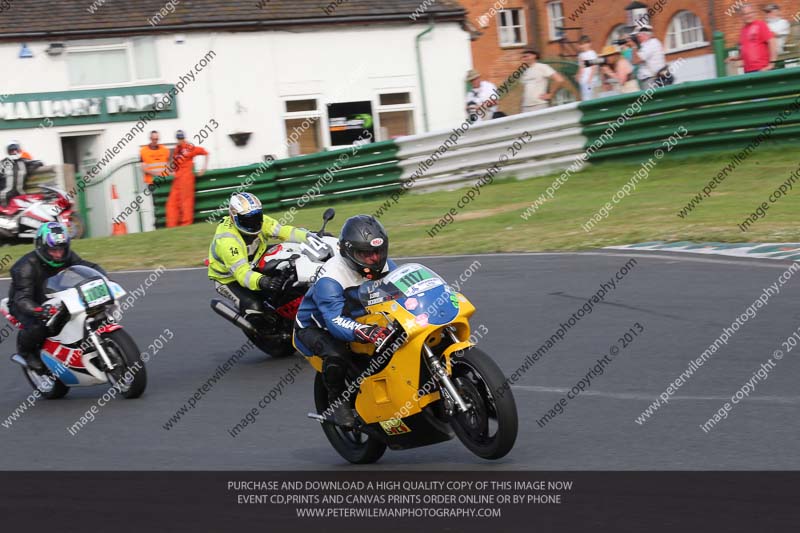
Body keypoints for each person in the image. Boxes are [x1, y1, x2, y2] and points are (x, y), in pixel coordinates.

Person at [293, 215, 396, 426]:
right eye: (365, 254)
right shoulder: (331, 278)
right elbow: (335, 322)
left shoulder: (384, 265)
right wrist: (367, 332)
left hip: (359, 315)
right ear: (348, 252)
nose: (374, 259)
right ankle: (337, 404)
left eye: (377, 252)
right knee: (337, 353)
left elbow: (404, 292)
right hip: (317, 326)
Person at [9, 222, 106, 373]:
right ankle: (26, 353)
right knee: (39, 325)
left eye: (61, 249)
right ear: (42, 247)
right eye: (53, 250)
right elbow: (22, 299)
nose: (59, 254)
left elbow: (87, 267)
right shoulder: (24, 267)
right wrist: (38, 310)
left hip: (55, 295)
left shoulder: (67, 256)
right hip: (26, 301)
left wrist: (104, 279)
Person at [208, 192, 322, 320]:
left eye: (256, 217)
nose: (254, 224)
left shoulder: (261, 221)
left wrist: (311, 236)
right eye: (247, 220)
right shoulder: (228, 242)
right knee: (254, 307)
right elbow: (242, 274)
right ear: (234, 218)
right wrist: (264, 281)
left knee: (290, 261)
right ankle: (265, 332)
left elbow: (285, 231)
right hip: (230, 278)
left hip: (255, 258)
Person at [165, 130, 208, 227]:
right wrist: (171, 170)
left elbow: (205, 152)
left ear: (184, 138)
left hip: (187, 179)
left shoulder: (190, 148)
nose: (180, 140)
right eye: (178, 138)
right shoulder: (176, 149)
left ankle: (186, 225)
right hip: (177, 179)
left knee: (186, 203)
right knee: (171, 204)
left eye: (181, 138)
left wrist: (203, 168)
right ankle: (171, 226)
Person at [139, 130, 171, 231]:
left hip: (164, 182)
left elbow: (169, 166)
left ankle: (167, 223)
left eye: (157, 139)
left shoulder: (165, 150)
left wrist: (169, 174)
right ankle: (158, 225)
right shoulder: (143, 151)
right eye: (153, 139)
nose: (155, 141)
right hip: (151, 183)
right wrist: (157, 174)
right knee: (156, 205)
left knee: (166, 203)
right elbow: (144, 168)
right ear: (150, 139)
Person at [736, 4, 777, 73]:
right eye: (745, 14)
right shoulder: (743, 30)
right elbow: (746, 49)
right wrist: (736, 58)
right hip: (748, 70)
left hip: (762, 69)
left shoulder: (760, 25)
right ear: (741, 16)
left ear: (754, 13)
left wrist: (772, 63)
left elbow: (772, 42)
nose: (748, 16)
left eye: (750, 13)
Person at [631, 25, 666, 90]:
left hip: (651, 80)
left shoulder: (650, 44)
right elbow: (634, 61)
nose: (637, 38)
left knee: (651, 100)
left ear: (643, 35)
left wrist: (633, 46)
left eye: (638, 36)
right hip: (651, 79)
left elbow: (636, 60)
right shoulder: (649, 44)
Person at [576, 36, 600, 101]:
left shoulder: (592, 54)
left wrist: (590, 78)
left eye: (584, 44)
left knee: (590, 98)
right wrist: (578, 75)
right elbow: (581, 67)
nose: (583, 46)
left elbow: (594, 67)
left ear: (589, 44)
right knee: (585, 98)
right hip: (583, 81)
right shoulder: (581, 55)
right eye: (581, 44)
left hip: (590, 81)